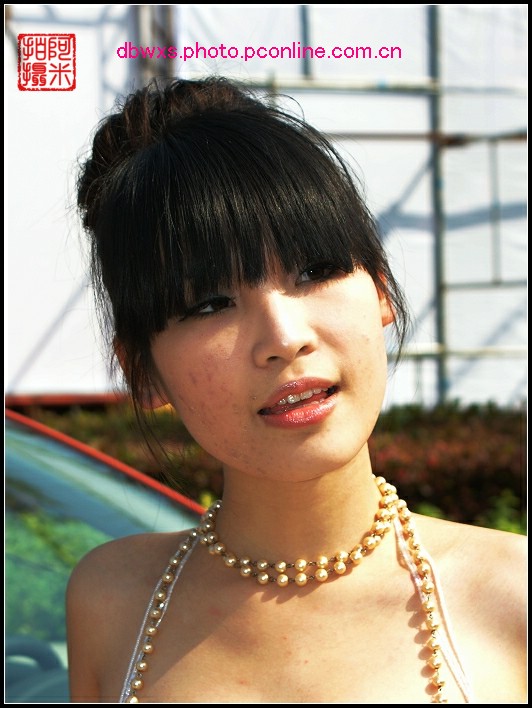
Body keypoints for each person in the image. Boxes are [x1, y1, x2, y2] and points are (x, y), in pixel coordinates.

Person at [66, 76, 526, 704]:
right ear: (143, 372)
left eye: (316, 270)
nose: (284, 338)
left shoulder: (512, 595)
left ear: (381, 290)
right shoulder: (113, 599)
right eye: (209, 304)